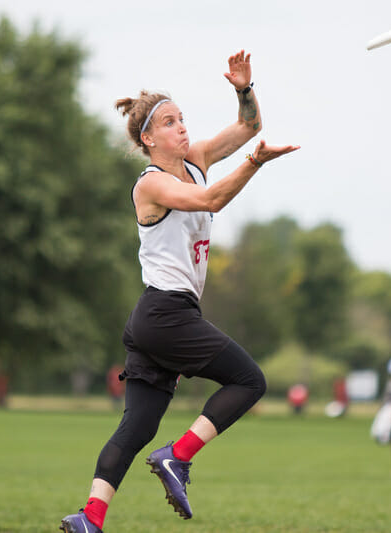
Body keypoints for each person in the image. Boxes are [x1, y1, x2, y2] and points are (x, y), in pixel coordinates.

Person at [59, 50, 300, 533]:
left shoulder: (197, 159)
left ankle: (90, 518)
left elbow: (249, 127)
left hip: (158, 318)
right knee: (250, 381)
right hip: (166, 314)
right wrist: (253, 166)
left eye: (182, 118)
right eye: (170, 122)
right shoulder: (150, 184)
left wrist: (243, 89)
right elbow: (211, 199)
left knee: (137, 428)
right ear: (148, 138)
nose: (182, 127)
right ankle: (178, 457)